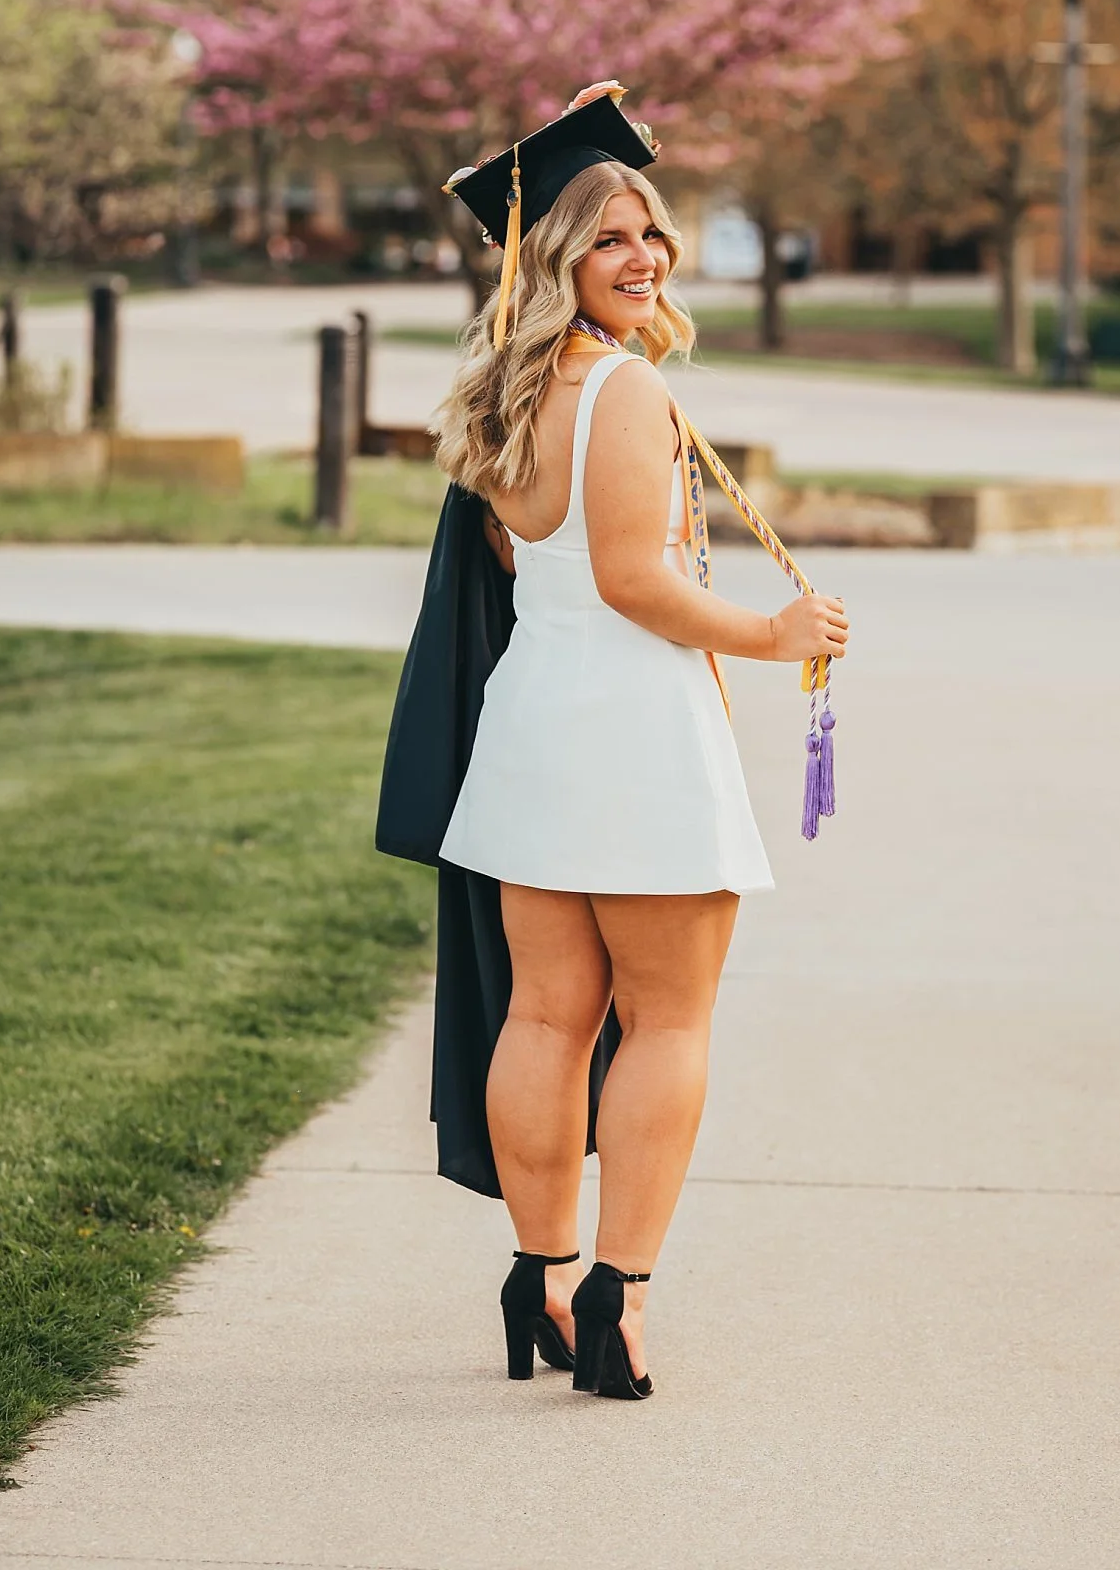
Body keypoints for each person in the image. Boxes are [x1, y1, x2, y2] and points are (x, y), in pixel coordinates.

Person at [377, 85, 848, 1401]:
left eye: (651, 231)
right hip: (635, 735)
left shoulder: (504, 397)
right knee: (666, 1024)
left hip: (531, 725)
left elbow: (552, 574)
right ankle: (614, 1302)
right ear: (555, 260)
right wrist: (778, 631)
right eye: (608, 240)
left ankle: (537, 1272)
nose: (643, 256)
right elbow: (638, 583)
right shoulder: (626, 390)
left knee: (545, 1013)